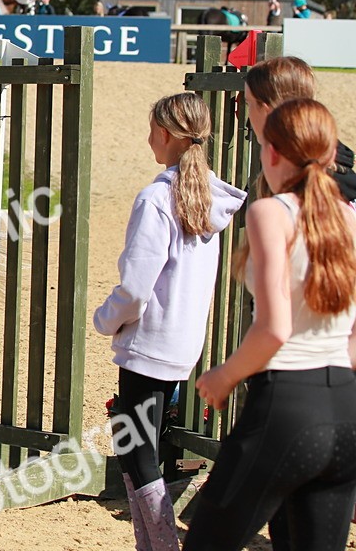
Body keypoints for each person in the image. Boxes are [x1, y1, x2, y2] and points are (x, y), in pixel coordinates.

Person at [183, 98, 356, 550]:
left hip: (286, 404)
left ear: (273, 152)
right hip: (346, 407)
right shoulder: (349, 218)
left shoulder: (271, 212)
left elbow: (275, 329)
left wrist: (224, 375)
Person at [94, 92, 245, 551]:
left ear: (164, 133)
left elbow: (137, 287)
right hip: (183, 343)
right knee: (141, 450)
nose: (147, 140)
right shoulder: (209, 198)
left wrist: (106, 318)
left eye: (151, 130)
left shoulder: (157, 198)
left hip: (148, 345)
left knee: (137, 455)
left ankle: (161, 546)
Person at [244, 56, 356, 204]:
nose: (248, 114)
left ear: (266, 110)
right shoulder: (330, 167)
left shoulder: (297, 178)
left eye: (248, 104)